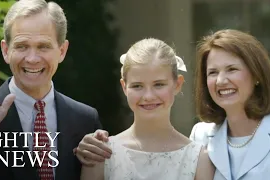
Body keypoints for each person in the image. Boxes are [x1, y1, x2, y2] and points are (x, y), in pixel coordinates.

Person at [0, 0, 102, 180]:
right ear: (6, 50)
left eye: (43, 46)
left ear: (62, 51)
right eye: (22, 46)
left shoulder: (85, 120)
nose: (32, 58)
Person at [79, 38, 214, 180]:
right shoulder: (101, 153)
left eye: (159, 84)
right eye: (137, 86)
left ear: (177, 84)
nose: (148, 96)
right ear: (124, 87)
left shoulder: (198, 158)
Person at [189, 29, 270, 180]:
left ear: (256, 75)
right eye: (213, 72)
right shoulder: (200, 136)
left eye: (232, 69)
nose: (220, 81)